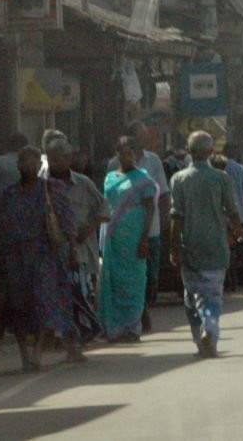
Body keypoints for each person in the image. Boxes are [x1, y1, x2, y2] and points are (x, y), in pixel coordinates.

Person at [0, 145, 81, 369]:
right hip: (15, 258)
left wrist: (73, 249)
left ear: (40, 165)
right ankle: (25, 354)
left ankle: (38, 352)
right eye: (25, 162)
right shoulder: (8, 195)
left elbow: (67, 219)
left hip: (45, 255)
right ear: (18, 166)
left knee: (45, 302)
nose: (30, 167)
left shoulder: (51, 189)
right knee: (19, 306)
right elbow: (0, 227)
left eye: (34, 163)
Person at [169, 130, 243, 358]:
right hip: (216, 247)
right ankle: (209, 329)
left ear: (189, 152)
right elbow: (232, 211)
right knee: (212, 295)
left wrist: (173, 248)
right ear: (211, 152)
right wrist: (240, 232)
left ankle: (200, 338)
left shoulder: (179, 179)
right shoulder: (221, 178)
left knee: (192, 297)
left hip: (190, 247)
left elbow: (176, 217)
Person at [106, 121, 168, 331]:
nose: (147, 137)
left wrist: (166, 218)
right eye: (143, 134)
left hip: (151, 228)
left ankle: (144, 306)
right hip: (122, 232)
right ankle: (137, 314)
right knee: (125, 276)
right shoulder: (113, 166)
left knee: (150, 275)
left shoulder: (153, 161)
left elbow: (163, 193)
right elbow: (110, 198)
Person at [41, 133, 108, 323]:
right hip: (51, 250)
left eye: (58, 159)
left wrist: (89, 229)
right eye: (51, 159)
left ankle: (80, 329)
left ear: (68, 159)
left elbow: (104, 209)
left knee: (81, 294)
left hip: (81, 251)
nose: (53, 163)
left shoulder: (83, 183)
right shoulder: (42, 183)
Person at [98, 136, 158, 342]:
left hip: (134, 237)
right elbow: (106, 205)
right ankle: (113, 328)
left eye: (129, 153)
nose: (126, 157)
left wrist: (144, 238)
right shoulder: (109, 178)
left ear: (136, 155)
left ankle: (132, 328)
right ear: (117, 154)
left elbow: (150, 209)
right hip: (112, 236)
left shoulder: (143, 179)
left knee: (134, 281)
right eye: (122, 153)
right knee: (113, 282)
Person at [212, 144, 243, 287]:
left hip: (220, 218)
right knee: (242, 246)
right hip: (239, 214)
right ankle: (242, 275)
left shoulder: (211, 175)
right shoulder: (241, 169)